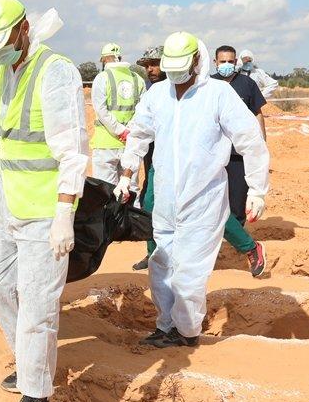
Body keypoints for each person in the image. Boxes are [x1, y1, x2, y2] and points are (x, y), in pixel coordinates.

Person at [0, 0, 88, 402]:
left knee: (38, 303)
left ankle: (36, 390)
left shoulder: (55, 72)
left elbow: (72, 151)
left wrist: (64, 212)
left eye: (3, 43)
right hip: (7, 200)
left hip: (45, 207)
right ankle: (29, 358)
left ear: (23, 29)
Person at [115, 32, 270, 348]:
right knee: (161, 264)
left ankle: (186, 332)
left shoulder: (217, 95)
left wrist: (257, 189)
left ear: (197, 61)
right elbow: (138, 136)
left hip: (204, 200)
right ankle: (166, 325)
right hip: (166, 199)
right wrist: (126, 176)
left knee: (189, 273)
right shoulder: (158, 95)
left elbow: (250, 139)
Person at [211, 45, 268, 276]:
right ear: (215, 62)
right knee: (213, 202)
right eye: (222, 61)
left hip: (239, 155)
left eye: (230, 61)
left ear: (235, 62)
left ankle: (238, 241)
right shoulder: (209, 85)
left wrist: (262, 142)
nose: (226, 65)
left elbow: (257, 113)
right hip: (216, 154)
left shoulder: (247, 84)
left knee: (236, 203)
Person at [90, 43, 141, 184]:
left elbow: (101, 110)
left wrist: (120, 131)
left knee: (105, 190)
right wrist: (127, 131)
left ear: (104, 59)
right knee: (130, 189)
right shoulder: (138, 79)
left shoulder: (102, 78)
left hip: (105, 142)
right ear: (120, 57)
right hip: (130, 142)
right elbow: (142, 111)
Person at [132, 49, 164, 271]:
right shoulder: (150, 92)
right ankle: (152, 253)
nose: (149, 69)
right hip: (154, 160)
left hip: (183, 163)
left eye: (154, 64)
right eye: (147, 65)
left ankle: (249, 247)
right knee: (150, 205)